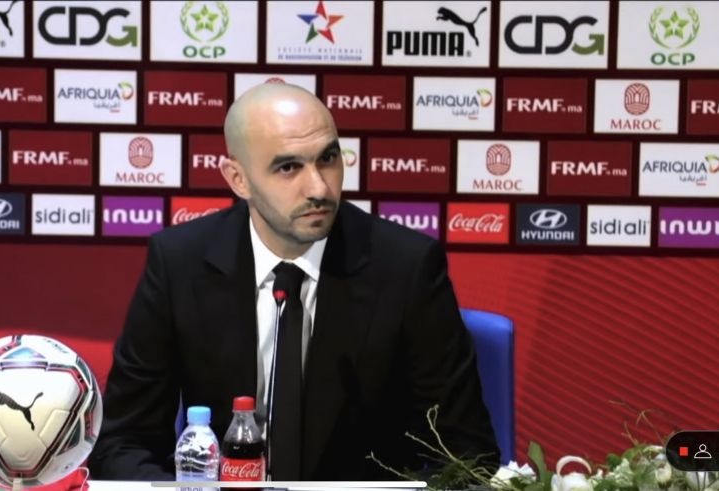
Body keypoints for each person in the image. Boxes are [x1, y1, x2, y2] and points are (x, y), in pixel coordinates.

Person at [88, 83, 498, 480]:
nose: (319, 187)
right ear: (238, 179)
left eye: (328, 158)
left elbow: (465, 454)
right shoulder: (180, 264)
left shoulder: (406, 268)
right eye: (288, 167)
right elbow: (123, 442)